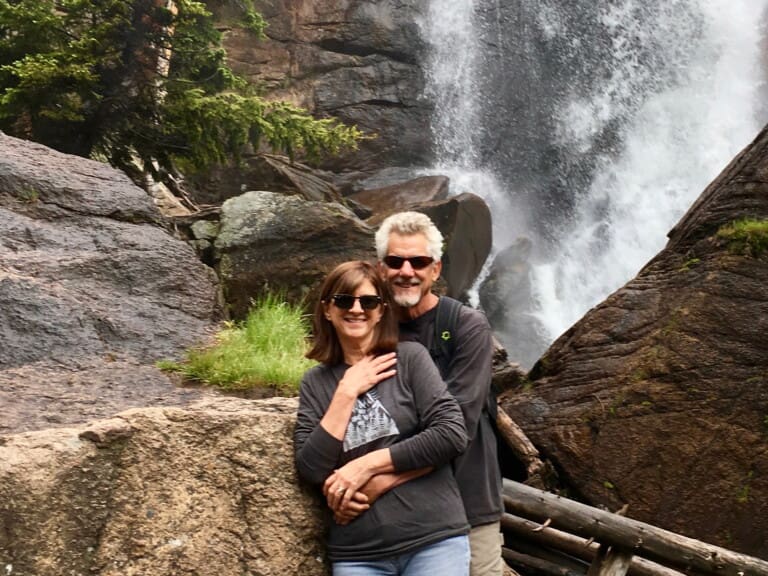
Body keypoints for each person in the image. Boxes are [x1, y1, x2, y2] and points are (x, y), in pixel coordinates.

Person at [294, 260, 471, 576]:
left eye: (369, 301)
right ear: (327, 310)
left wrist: (365, 468)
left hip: (433, 540)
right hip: (358, 555)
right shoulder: (316, 383)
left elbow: (450, 433)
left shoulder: (409, 359)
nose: (357, 309)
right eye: (344, 300)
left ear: (381, 310)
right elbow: (311, 468)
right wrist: (346, 391)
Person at [372, 211, 504, 576]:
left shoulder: (465, 325)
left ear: (435, 269)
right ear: (381, 268)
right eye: (395, 261)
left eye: (419, 261)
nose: (407, 271)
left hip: (467, 503)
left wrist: (374, 473)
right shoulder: (368, 329)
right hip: (398, 511)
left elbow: (456, 427)